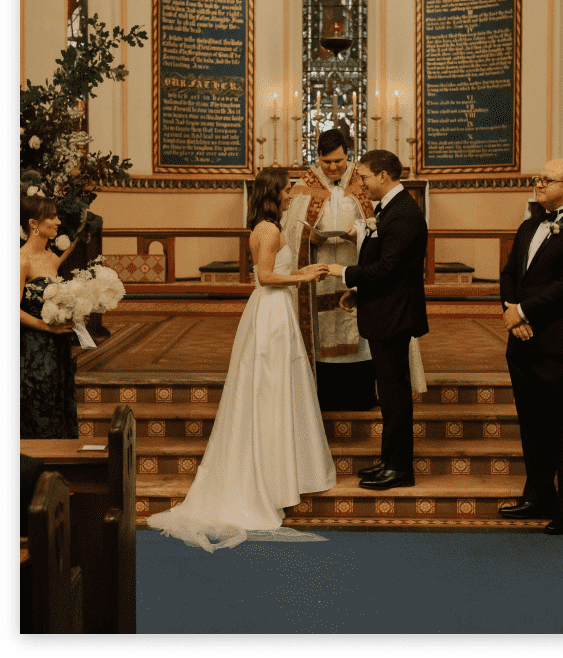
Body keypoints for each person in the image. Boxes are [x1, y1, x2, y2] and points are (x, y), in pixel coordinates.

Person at [147, 168, 336, 552]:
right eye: (286, 191)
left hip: (275, 310)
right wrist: (301, 279)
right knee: (268, 391)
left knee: (277, 390)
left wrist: (302, 272)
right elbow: (265, 277)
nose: (289, 197)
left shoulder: (267, 226)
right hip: (270, 312)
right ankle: (266, 480)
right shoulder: (267, 229)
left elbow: (274, 273)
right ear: (273, 193)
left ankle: (279, 474)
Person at [498, 159, 563, 535]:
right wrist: (512, 311)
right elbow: (509, 272)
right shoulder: (529, 224)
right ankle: (538, 495)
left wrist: (524, 311)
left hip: (561, 341)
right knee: (531, 423)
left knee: (562, 426)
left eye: (547, 179)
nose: (538, 183)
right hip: (523, 341)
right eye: (537, 178)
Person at [326, 150, 429, 490]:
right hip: (384, 310)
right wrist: (358, 293)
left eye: (366, 177)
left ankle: (400, 468)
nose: (362, 184)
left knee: (395, 394)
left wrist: (344, 273)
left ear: (384, 176)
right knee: (388, 393)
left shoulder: (404, 214)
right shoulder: (389, 210)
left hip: (394, 315)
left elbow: (388, 269)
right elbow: (385, 265)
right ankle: (389, 460)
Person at [281, 128, 378, 411]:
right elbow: (289, 230)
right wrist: (306, 238)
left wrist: (356, 232)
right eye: (327, 162)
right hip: (319, 274)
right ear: (317, 157)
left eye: (339, 161)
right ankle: (323, 396)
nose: (334, 167)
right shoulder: (303, 186)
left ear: (348, 155)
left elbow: (378, 225)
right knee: (323, 333)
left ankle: (361, 395)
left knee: (357, 330)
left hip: (354, 270)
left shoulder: (363, 183)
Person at [20, 196, 82, 438]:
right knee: (38, 406)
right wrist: (46, 328)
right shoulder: (22, 260)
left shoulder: (50, 258)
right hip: (34, 350)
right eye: (52, 217)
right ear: (34, 223)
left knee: (59, 404)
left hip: (59, 348)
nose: (57, 222)